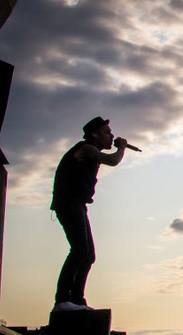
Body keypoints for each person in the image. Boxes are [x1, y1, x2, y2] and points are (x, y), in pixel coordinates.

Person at [50, 116, 129, 311]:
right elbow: (112, 160)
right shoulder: (86, 148)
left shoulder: (91, 151)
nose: (111, 136)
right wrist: (122, 148)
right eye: (107, 132)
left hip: (77, 205)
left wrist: (119, 147)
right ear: (94, 134)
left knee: (89, 254)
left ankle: (76, 300)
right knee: (79, 250)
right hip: (68, 203)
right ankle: (62, 300)